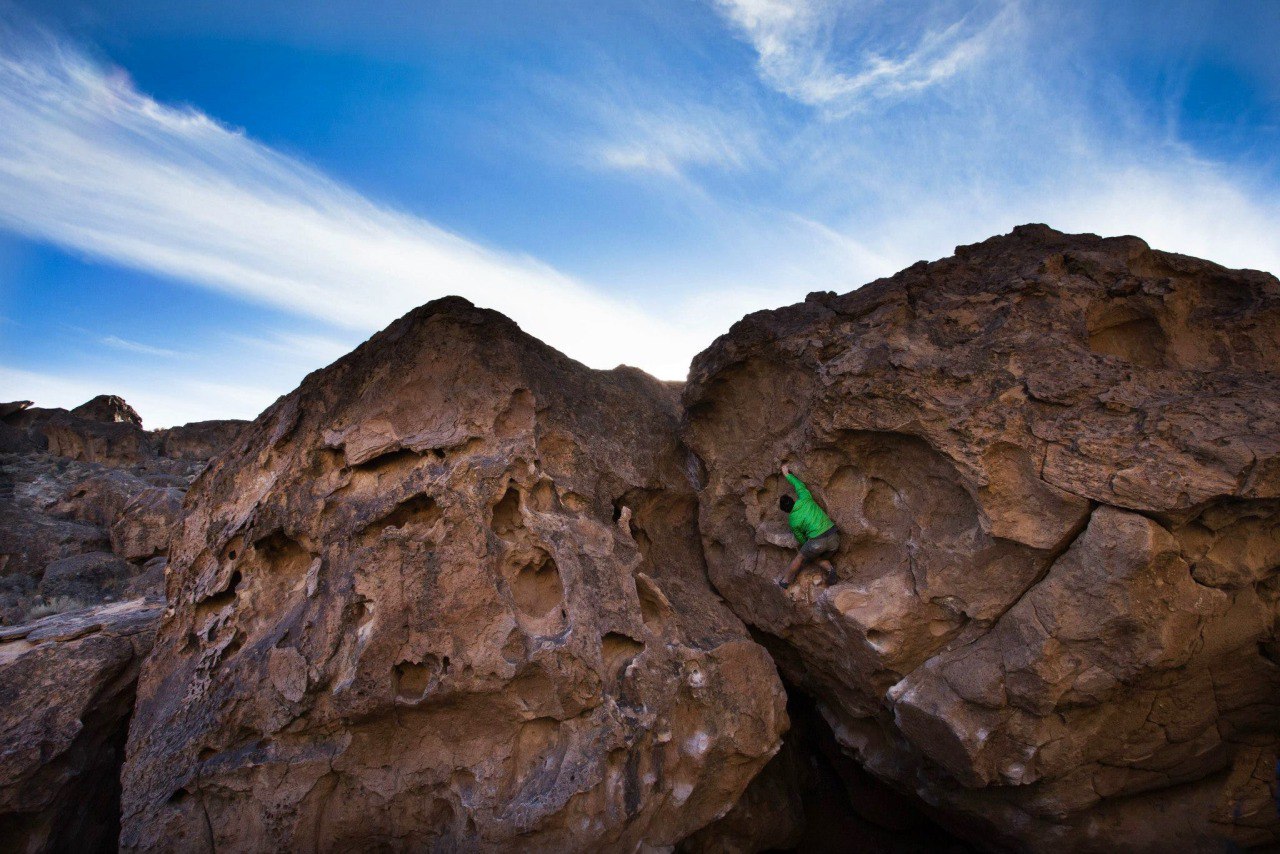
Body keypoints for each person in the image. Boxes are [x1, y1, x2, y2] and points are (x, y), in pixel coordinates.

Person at [777, 464, 839, 589]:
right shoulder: (805, 498)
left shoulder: (793, 520)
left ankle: (785, 581)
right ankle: (829, 569)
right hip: (834, 538)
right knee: (816, 555)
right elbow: (799, 485)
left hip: (818, 543)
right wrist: (787, 474)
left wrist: (808, 547)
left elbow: (801, 539)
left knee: (802, 557)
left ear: (786, 510)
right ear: (793, 500)